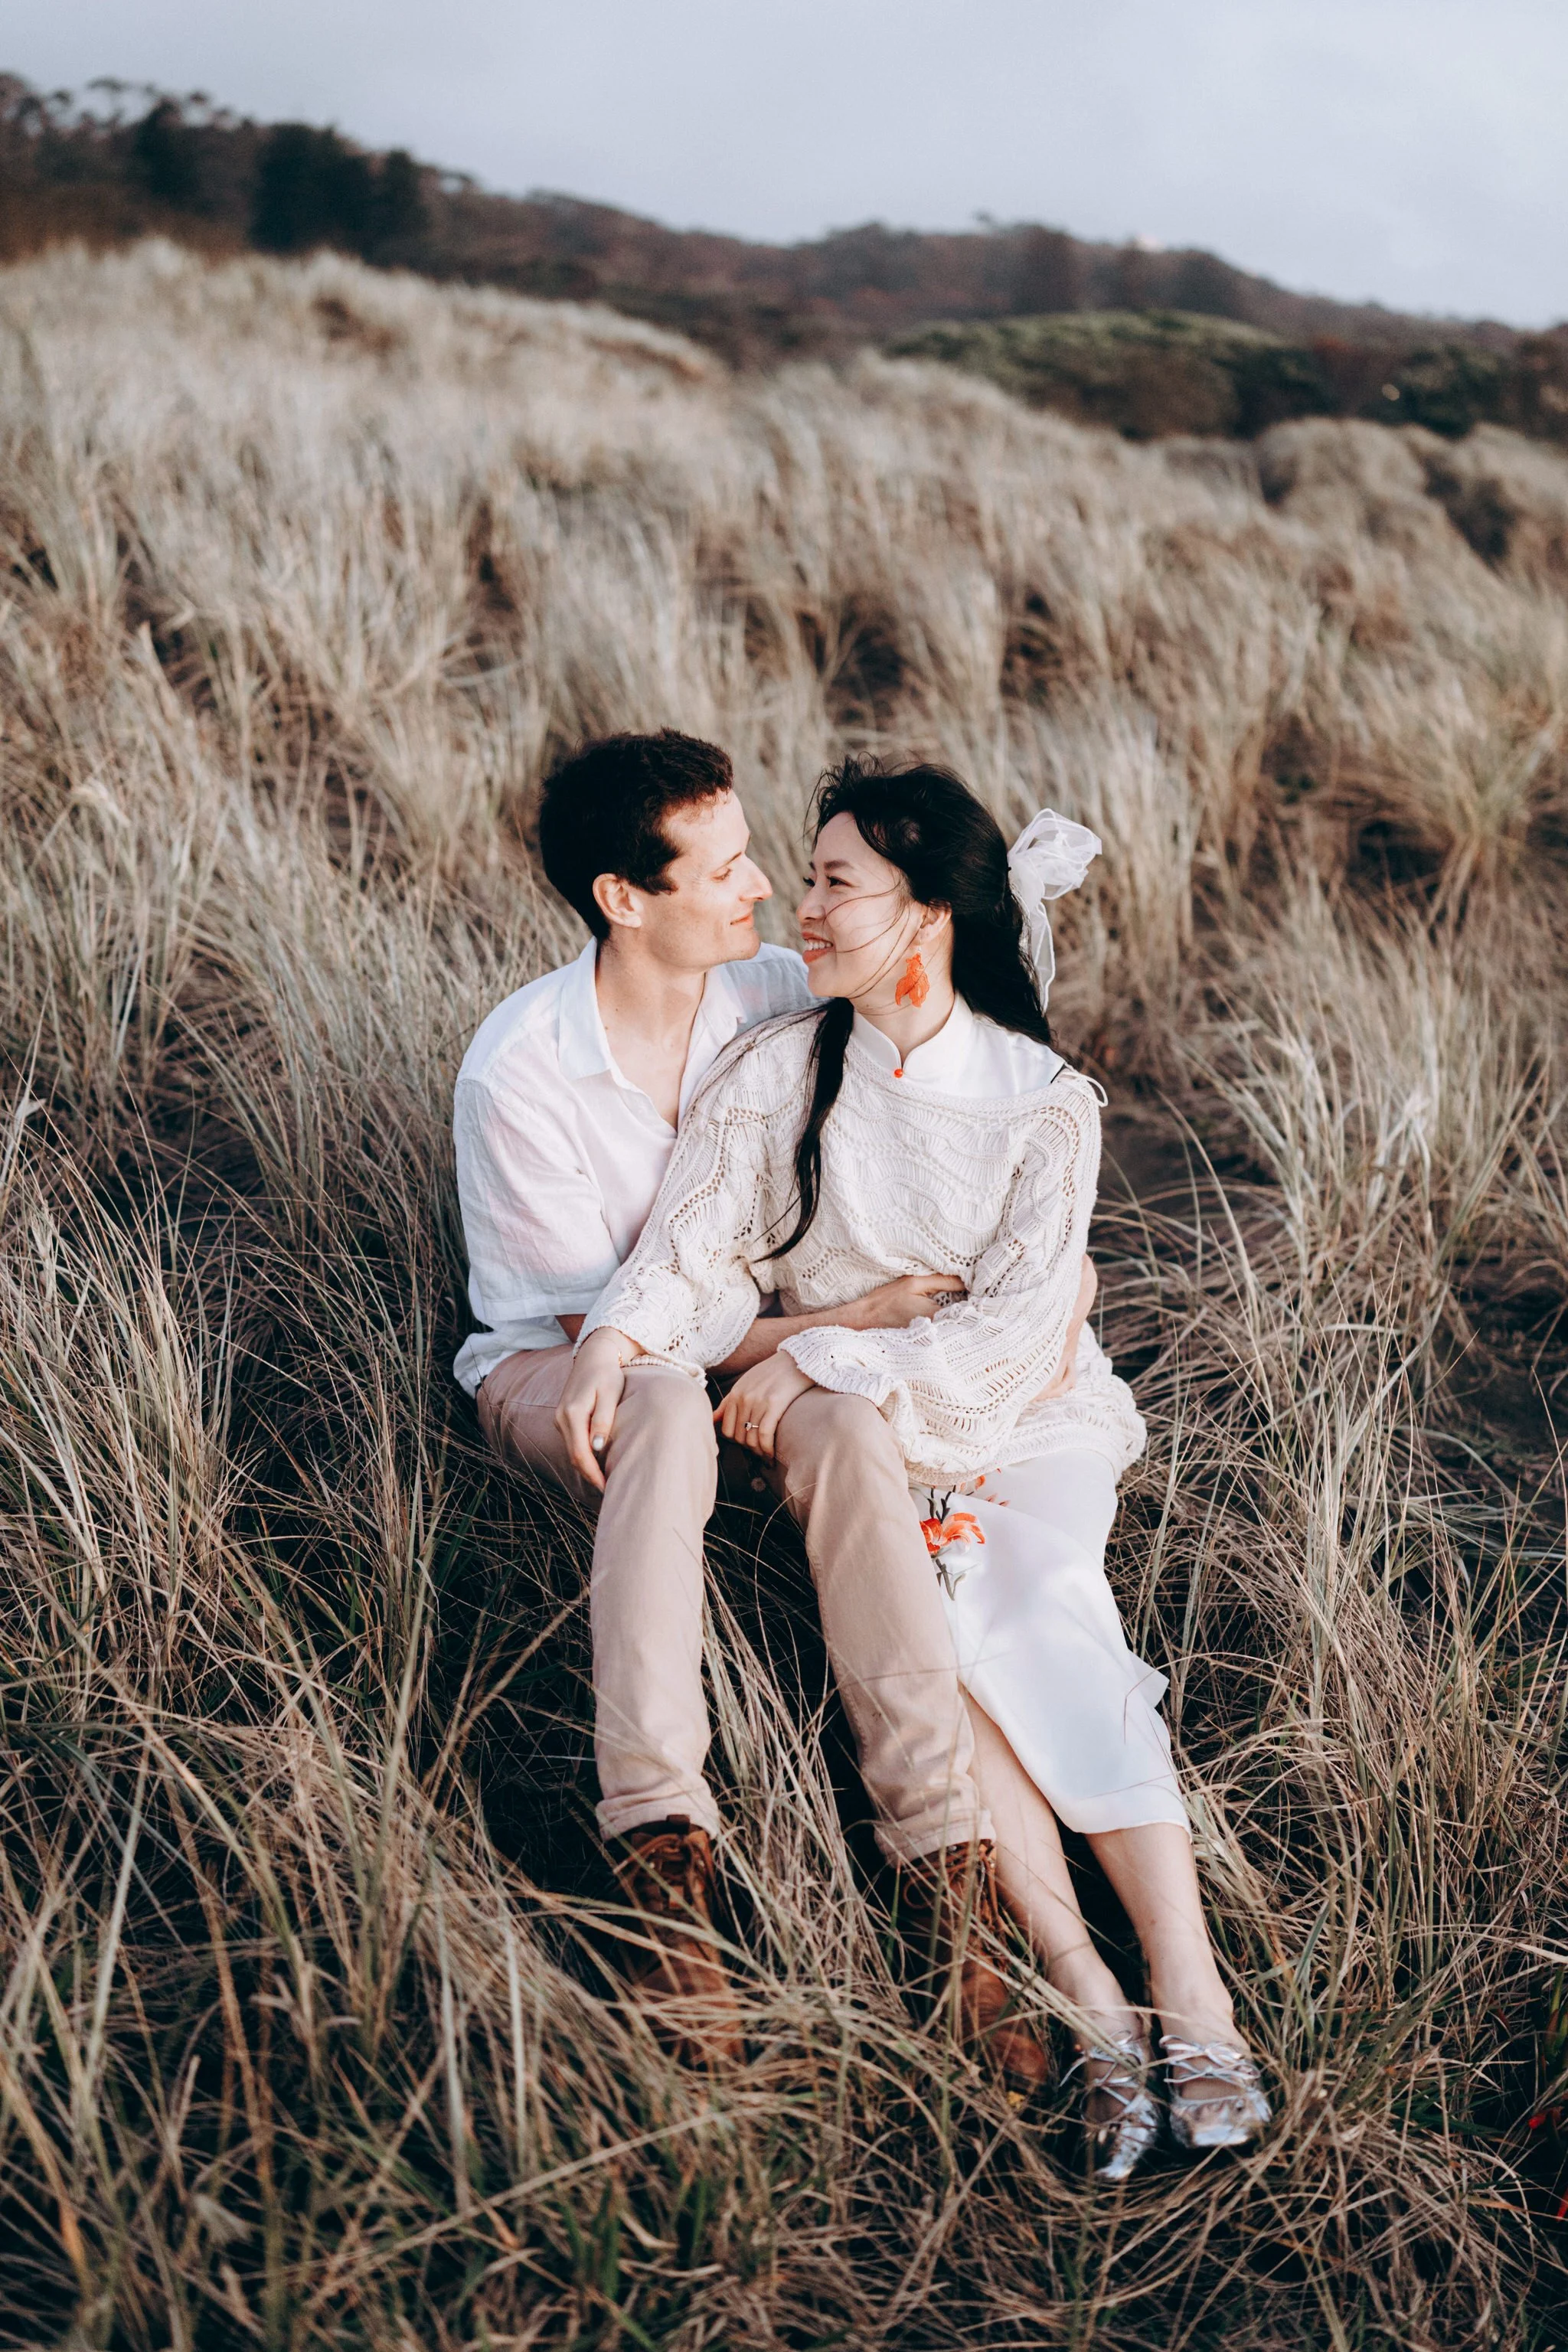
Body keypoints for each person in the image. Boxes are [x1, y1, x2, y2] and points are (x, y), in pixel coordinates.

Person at [561, 757, 1271, 2176]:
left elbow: (1019, 1336)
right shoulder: (782, 1064)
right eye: (808, 879)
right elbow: (696, 1239)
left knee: (1026, 1596)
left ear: (928, 913)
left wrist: (824, 1360)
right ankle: (1084, 1997)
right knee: (934, 1633)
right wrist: (613, 1337)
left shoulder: (1046, 1102)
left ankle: (1189, 1992)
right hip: (875, 1444)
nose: (801, 913)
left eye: (833, 885)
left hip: (1022, 1422)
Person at [454, 730, 1091, 2078]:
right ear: (627, 900)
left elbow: (954, 1022)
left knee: (852, 1429)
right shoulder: (521, 1070)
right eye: (728, 868)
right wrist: (841, 1326)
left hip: (753, 1349)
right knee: (669, 1410)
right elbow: (608, 1335)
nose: (761, 894)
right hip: (569, 1370)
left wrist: (846, 1355)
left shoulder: (772, 993)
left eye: (766, 861)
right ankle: (660, 1854)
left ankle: (946, 1869)